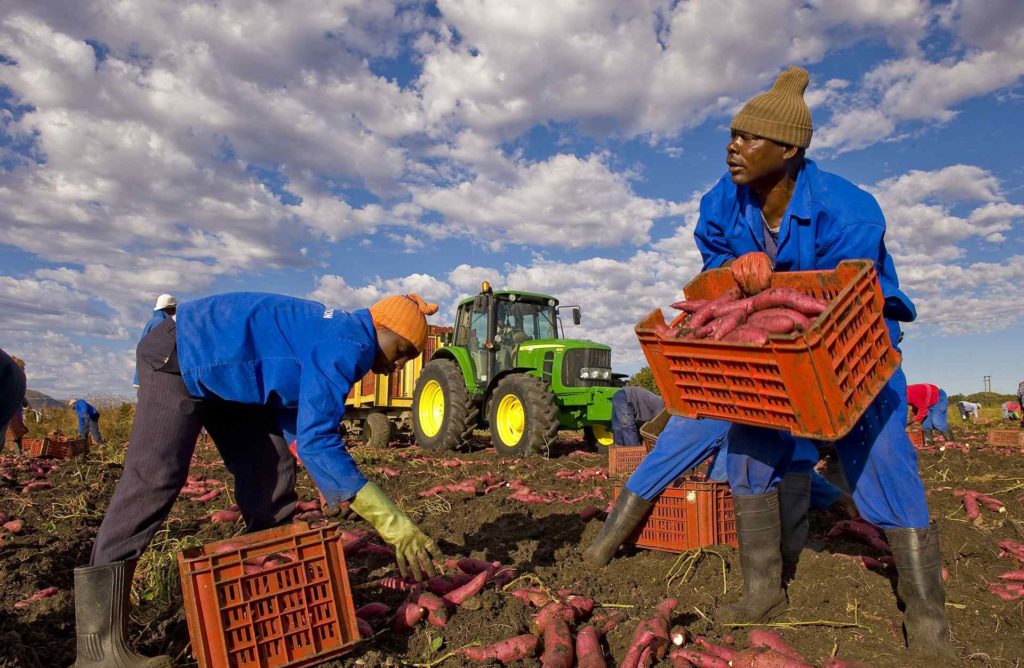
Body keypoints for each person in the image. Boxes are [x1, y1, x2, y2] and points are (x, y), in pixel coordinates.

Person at [689, 67, 954, 659]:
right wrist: (737, 267)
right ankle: (764, 589)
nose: (733, 147)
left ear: (789, 150)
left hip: (851, 348)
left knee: (883, 455)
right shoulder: (720, 203)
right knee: (749, 450)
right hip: (767, 354)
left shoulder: (850, 211)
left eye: (748, 138)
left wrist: (767, 281)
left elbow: (830, 300)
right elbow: (714, 259)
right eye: (731, 134)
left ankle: (930, 625)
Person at [72, 292, 445, 668]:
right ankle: (98, 649)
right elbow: (318, 440)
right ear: (382, 328)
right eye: (401, 351)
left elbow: (300, 427)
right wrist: (391, 523)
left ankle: (262, 591)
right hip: (181, 354)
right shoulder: (348, 343)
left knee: (271, 468)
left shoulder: (341, 336)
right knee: (154, 479)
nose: (397, 366)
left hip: (230, 384)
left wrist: (331, 483)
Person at [586, 415, 858, 585]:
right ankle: (789, 554)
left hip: (702, 398)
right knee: (785, 454)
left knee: (667, 458)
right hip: (747, 404)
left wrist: (836, 496)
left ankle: (601, 548)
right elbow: (796, 462)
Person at [133, 294, 177, 388]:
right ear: (168, 309)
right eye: (174, 309)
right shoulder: (162, 324)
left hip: (144, 376)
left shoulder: (152, 322)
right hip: (153, 378)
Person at [1, 349, 27, 455]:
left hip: (13, 415)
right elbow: (24, 402)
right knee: (16, 435)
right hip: (13, 415)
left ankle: (18, 452)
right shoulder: (19, 375)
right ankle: (18, 452)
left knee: (16, 435)